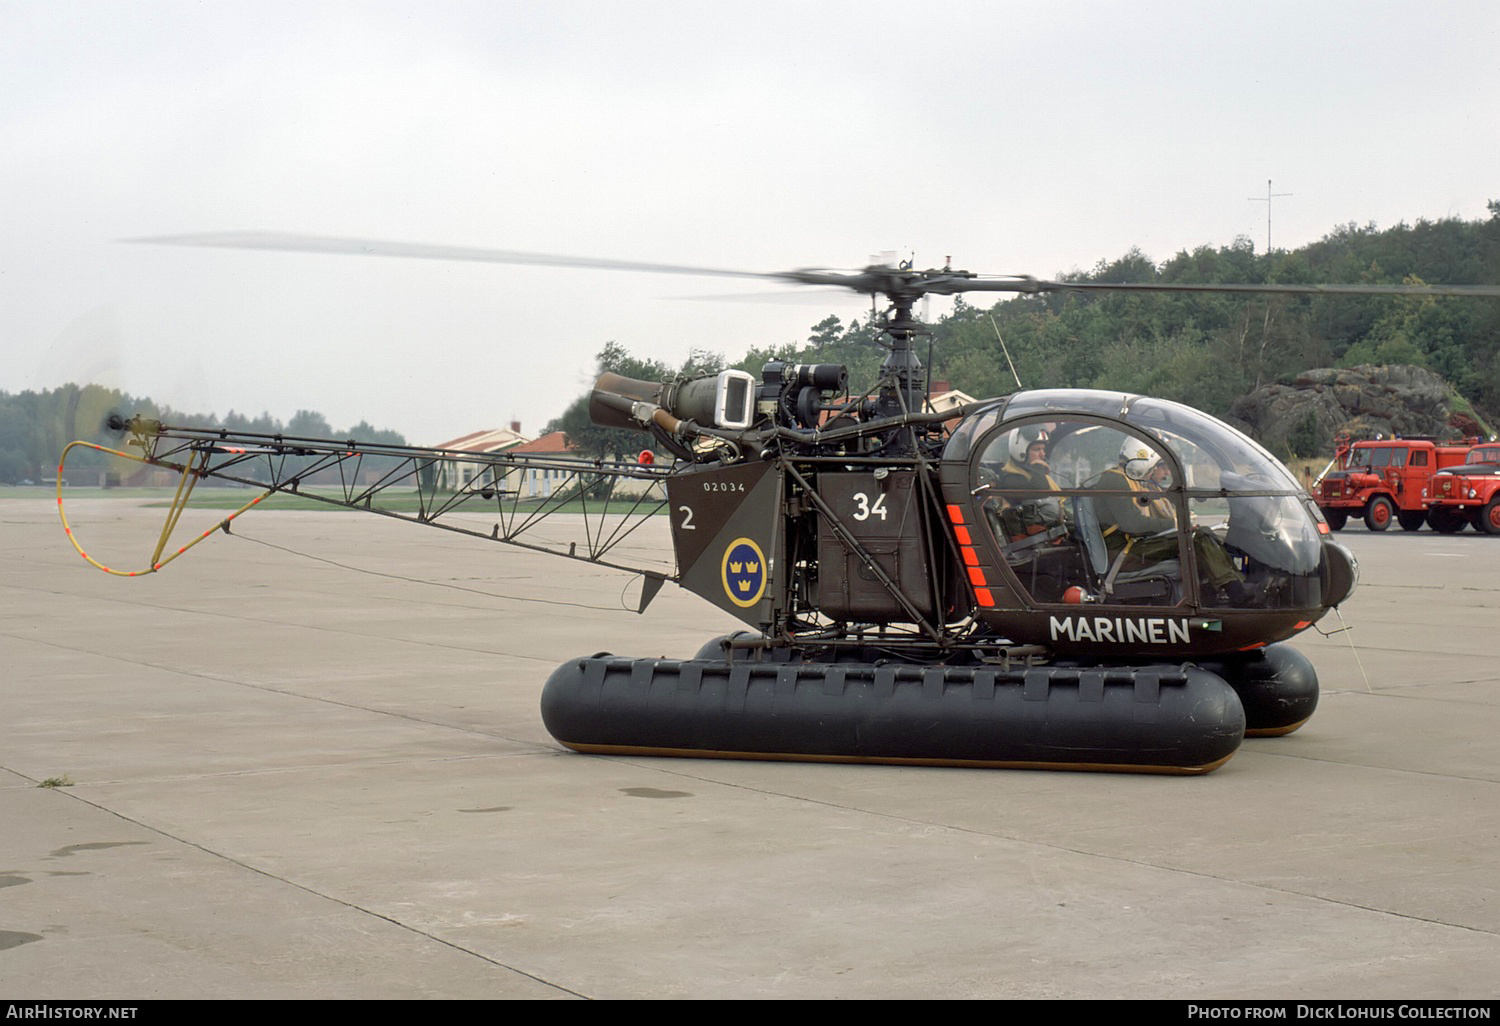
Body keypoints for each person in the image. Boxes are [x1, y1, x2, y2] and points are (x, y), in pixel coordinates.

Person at [1090, 438, 1244, 602]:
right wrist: (1175, 524)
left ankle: (1226, 589)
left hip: (1133, 546)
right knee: (1197, 538)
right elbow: (1133, 524)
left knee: (1202, 534)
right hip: (1125, 553)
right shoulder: (1115, 480)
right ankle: (1236, 593)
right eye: (1153, 466)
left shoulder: (1126, 480)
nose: (1153, 471)